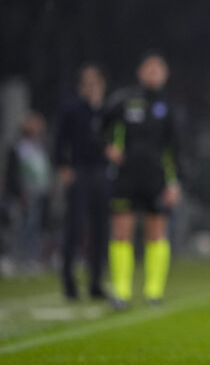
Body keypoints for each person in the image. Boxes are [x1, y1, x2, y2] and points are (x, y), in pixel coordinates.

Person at [103, 52, 182, 309]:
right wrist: (107, 147)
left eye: (158, 69)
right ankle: (121, 292)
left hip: (156, 178)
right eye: (149, 69)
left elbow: (177, 149)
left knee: (156, 233)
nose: (153, 74)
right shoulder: (124, 101)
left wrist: (175, 183)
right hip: (126, 176)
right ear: (140, 72)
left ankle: (154, 292)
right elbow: (99, 126)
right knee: (121, 232)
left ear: (165, 75)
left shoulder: (169, 107)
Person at [54, 64, 110, 300]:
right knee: (75, 229)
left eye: (96, 82)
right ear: (80, 87)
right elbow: (59, 141)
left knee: (101, 230)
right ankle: (69, 283)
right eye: (88, 83)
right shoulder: (72, 109)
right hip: (80, 172)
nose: (92, 87)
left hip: (102, 173)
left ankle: (96, 282)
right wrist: (63, 167)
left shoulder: (108, 110)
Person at [3, 112, 52, 273]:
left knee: (33, 228)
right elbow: (12, 172)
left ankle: (30, 258)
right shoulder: (18, 146)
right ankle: (11, 258)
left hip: (37, 194)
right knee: (17, 227)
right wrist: (18, 193)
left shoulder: (39, 146)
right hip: (21, 195)